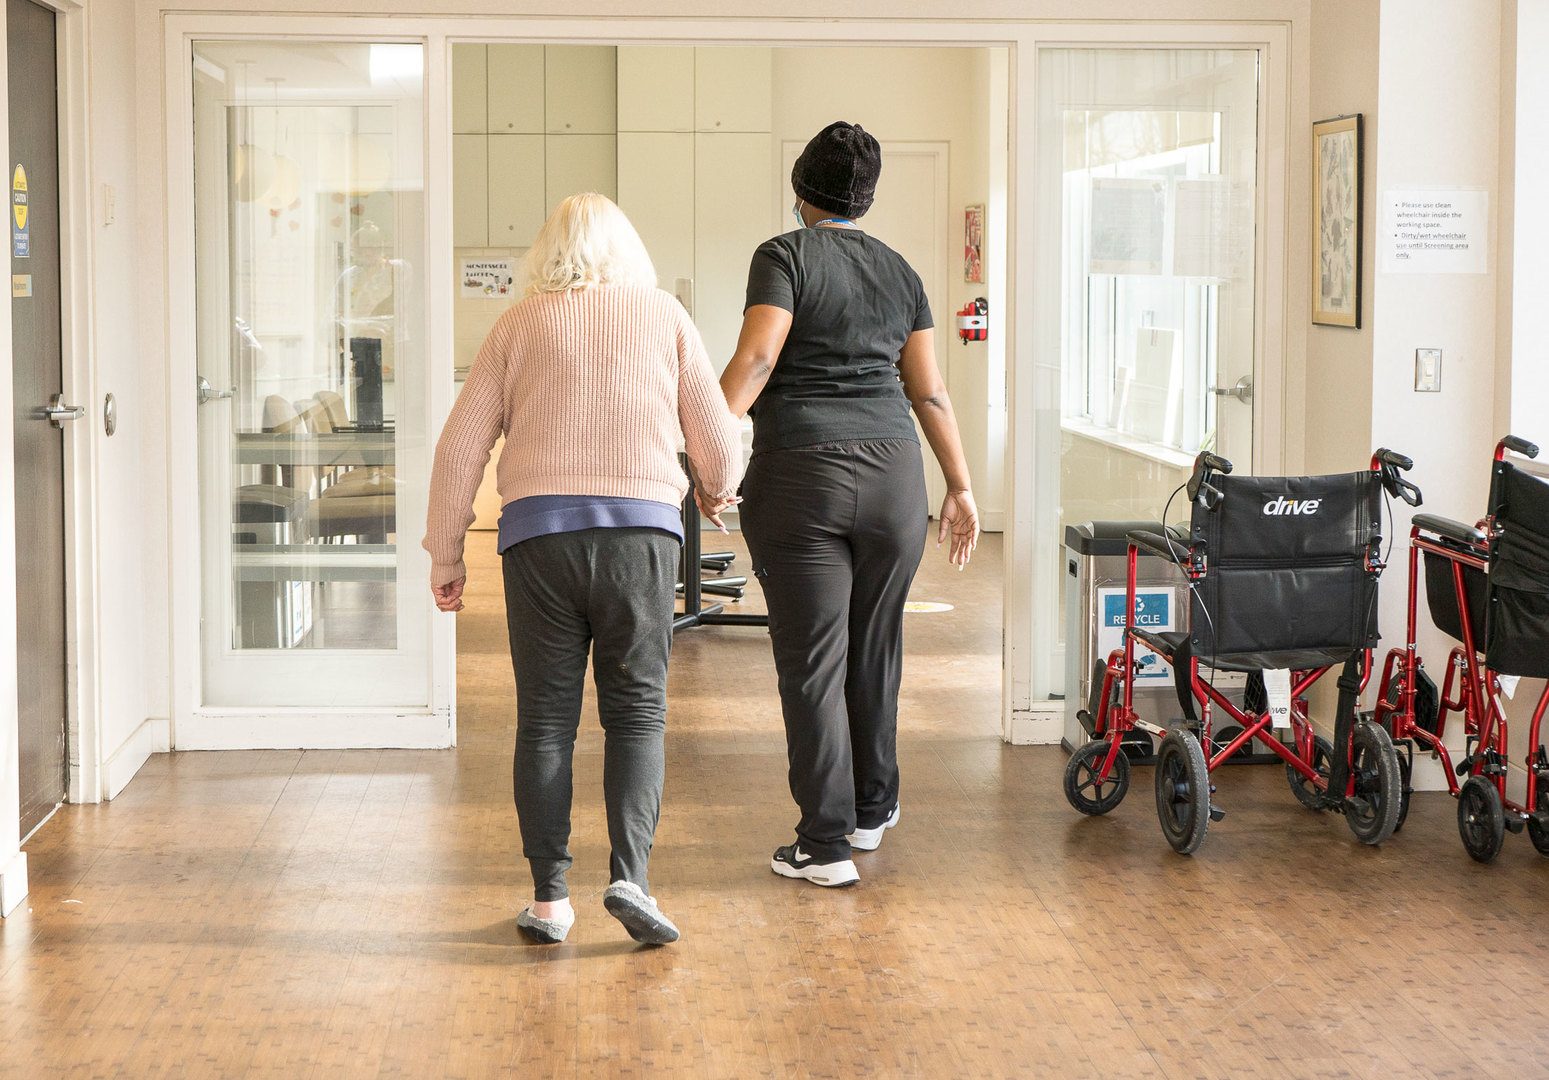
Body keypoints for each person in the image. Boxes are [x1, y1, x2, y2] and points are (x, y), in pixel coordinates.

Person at [424, 193, 742, 944]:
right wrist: (714, 490)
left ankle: (549, 899)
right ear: (629, 252)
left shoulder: (518, 325)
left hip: (537, 541)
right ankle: (630, 876)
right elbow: (719, 442)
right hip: (641, 537)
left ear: (546, 256)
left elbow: (459, 447)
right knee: (635, 711)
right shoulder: (664, 316)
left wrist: (446, 553)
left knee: (544, 721)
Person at [714, 122, 980, 889]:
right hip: (897, 477)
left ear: (801, 189)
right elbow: (926, 389)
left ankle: (824, 846)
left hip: (802, 475)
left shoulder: (784, 255)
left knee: (812, 661)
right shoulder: (899, 271)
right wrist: (959, 486)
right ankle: (871, 809)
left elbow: (759, 357)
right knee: (874, 647)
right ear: (865, 198)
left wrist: (707, 449)